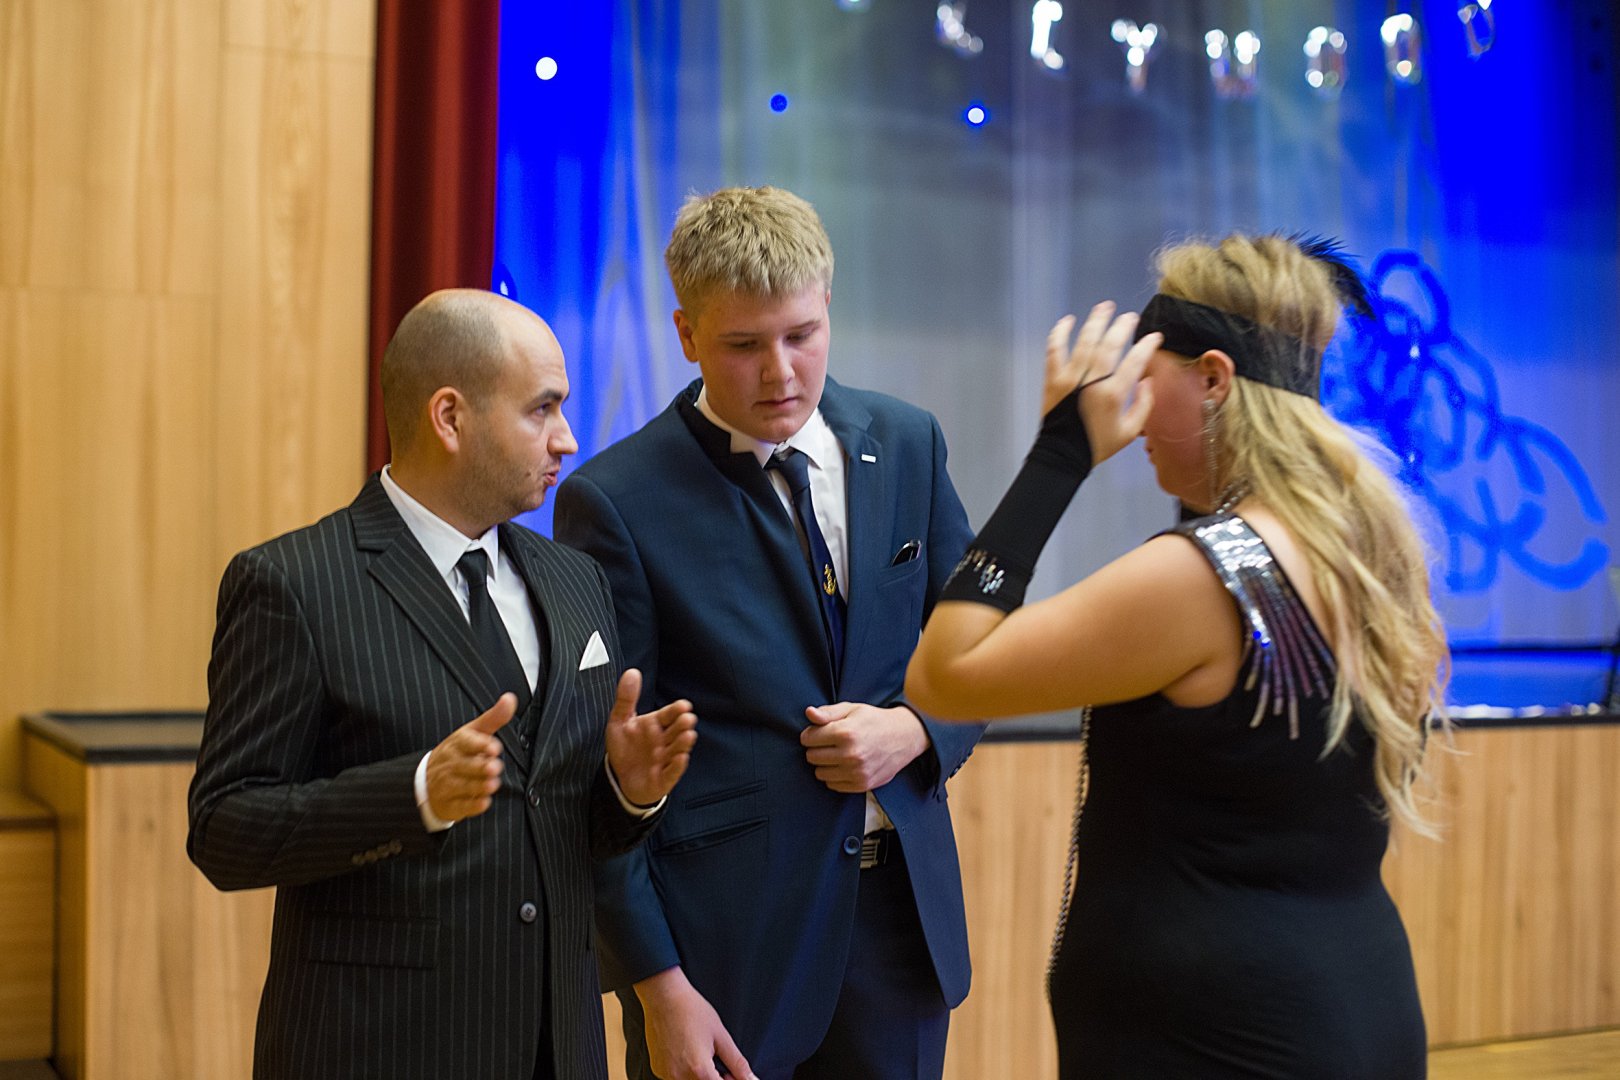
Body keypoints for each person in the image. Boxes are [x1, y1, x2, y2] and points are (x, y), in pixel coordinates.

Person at [905, 234, 1447, 1079]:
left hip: (1221, 1033)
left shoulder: (1204, 577)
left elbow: (944, 675)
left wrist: (1060, 452)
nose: (1130, 409)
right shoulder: (1368, 552)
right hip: (1350, 1000)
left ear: (1214, 379)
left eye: (1144, 375)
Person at [187, 289, 699, 1080]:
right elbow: (225, 830)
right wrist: (416, 793)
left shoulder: (577, 581)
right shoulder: (293, 583)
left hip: (557, 1049)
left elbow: (553, 829)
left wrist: (626, 793)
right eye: (542, 409)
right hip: (378, 1049)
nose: (567, 438)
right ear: (450, 417)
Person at [554, 186, 985, 1080]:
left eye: (801, 335)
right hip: (722, 954)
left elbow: (982, 649)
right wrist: (657, 986)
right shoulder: (615, 501)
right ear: (686, 334)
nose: (780, 373)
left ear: (829, 303)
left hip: (899, 933)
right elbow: (598, 774)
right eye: (743, 346)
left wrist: (915, 730)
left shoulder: (909, 441)